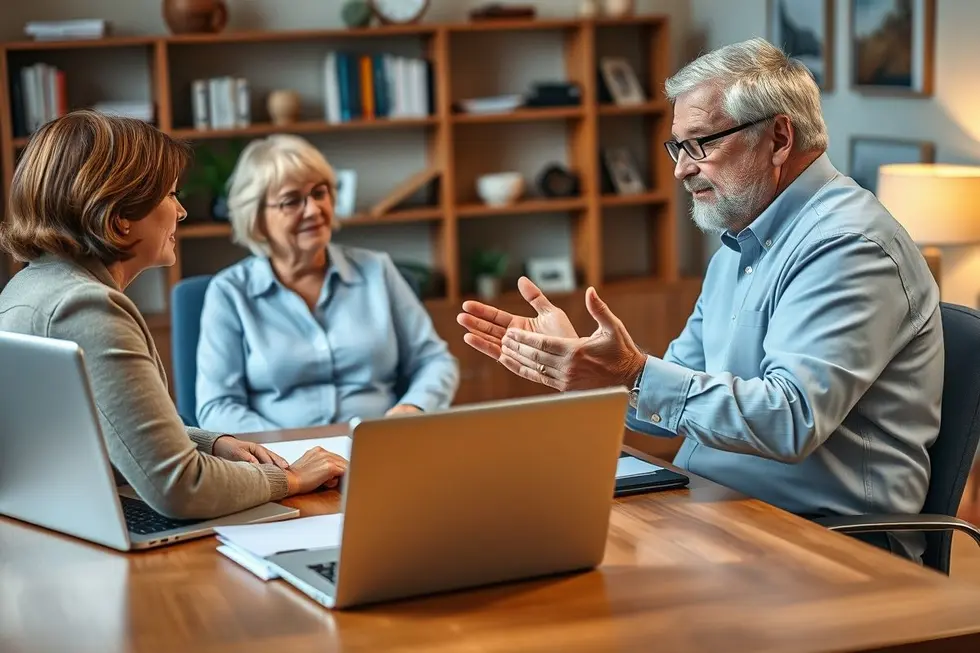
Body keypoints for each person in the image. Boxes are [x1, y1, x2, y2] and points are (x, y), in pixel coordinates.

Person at [457, 38, 943, 561]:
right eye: (677, 147)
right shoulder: (740, 243)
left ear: (779, 136)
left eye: (700, 144)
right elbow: (670, 396)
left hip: (827, 544)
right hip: (719, 513)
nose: (680, 170)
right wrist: (587, 369)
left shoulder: (847, 246)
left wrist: (633, 373)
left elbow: (790, 419)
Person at [0, 111, 348, 520]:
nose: (181, 212)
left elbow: (113, 427)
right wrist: (292, 480)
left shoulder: (29, 287)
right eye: (169, 196)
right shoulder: (87, 309)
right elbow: (181, 487)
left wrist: (210, 443)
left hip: (49, 519)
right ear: (119, 219)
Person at [195, 134, 459, 433]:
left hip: (377, 450)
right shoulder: (230, 292)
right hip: (282, 466)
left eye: (319, 193)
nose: (313, 210)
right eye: (292, 201)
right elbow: (217, 405)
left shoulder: (377, 270)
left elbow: (435, 360)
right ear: (256, 217)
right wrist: (287, 450)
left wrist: (412, 408)